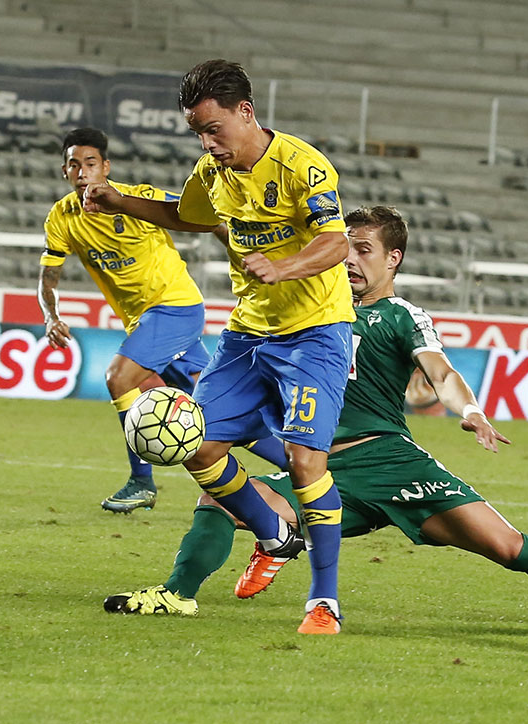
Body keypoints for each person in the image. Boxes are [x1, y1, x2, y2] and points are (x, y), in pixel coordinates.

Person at [103, 206, 528, 633]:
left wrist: (471, 410)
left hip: (388, 459)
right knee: (218, 496)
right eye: (347, 247)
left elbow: (441, 372)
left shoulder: (401, 315)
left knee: (509, 547)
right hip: (318, 464)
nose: (352, 260)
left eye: (365, 250)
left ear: (394, 258)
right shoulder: (307, 311)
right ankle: (180, 594)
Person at [83, 59, 355, 634]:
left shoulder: (304, 166)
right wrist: (117, 201)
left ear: (245, 111)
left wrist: (284, 267)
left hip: (315, 334)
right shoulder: (212, 173)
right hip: (246, 335)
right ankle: (275, 533)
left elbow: (334, 242)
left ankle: (323, 602)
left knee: (307, 463)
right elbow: (185, 216)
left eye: (214, 129)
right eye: (198, 133)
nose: (208, 143)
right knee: (196, 446)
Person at [40, 127, 288, 514]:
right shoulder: (62, 217)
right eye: (74, 165)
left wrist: (243, 259)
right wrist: (50, 316)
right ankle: (303, 469)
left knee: (118, 378)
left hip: (175, 307)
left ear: (105, 166)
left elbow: (205, 219)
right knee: (214, 408)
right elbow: (48, 276)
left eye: (90, 163)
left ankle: (141, 482)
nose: (82, 171)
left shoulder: (139, 199)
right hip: (144, 321)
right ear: (64, 171)